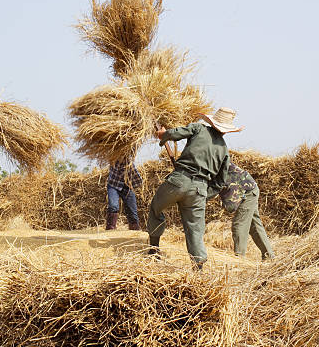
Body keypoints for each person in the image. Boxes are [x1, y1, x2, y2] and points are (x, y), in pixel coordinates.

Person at [147, 107, 242, 270]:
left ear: (212, 122)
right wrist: (204, 195)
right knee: (195, 229)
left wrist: (163, 135)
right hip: (200, 190)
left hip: (179, 180)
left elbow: (176, 133)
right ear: (226, 131)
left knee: (156, 208)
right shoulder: (224, 150)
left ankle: (154, 251)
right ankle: (198, 267)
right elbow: (220, 182)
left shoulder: (199, 128)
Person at [208, 162, 275, 260]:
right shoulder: (209, 160)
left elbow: (212, 188)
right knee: (254, 225)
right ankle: (269, 257)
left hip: (246, 191)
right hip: (249, 188)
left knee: (239, 224)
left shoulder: (210, 161)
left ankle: (239, 260)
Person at [106, 157, 142, 230]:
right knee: (113, 206)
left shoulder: (130, 162)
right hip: (114, 184)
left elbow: (136, 177)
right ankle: (110, 228)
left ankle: (134, 230)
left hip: (127, 186)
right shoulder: (114, 156)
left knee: (132, 210)